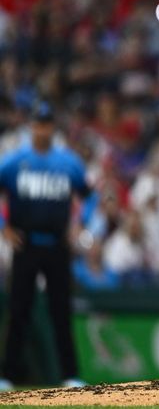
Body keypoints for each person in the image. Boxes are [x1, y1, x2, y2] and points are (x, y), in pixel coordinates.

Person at [0, 101, 91, 389]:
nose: (43, 129)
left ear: (53, 127)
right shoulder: (15, 162)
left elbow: (89, 197)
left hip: (56, 245)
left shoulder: (68, 163)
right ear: (32, 127)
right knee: (19, 311)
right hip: (26, 244)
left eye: (47, 124)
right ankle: (8, 376)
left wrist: (79, 223)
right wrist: (4, 228)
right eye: (39, 124)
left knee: (61, 312)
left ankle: (70, 375)